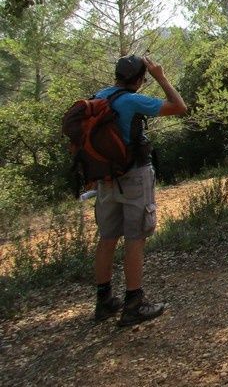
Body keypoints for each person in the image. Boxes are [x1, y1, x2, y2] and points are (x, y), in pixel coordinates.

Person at [93, 54, 187, 326]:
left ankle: (104, 301)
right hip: (133, 175)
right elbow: (179, 107)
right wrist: (161, 77)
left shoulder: (99, 97)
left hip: (106, 178)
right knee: (135, 237)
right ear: (139, 79)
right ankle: (134, 303)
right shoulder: (132, 100)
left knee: (108, 237)